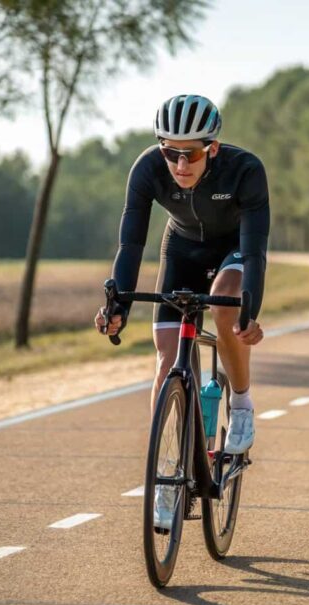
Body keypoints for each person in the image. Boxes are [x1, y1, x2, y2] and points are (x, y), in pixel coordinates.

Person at [95, 94, 269, 458]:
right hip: (181, 250)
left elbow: (254, 253)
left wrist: (248, 313)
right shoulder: (147, 169)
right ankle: (168, 468)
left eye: (189, 153)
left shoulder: (245, 170)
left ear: (213, 148)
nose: (179, 163)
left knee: (225, 303)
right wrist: (118, 308)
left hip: (233, 248)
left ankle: (240, 404)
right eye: (169, 152)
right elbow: (130, 246)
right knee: (167, 360)